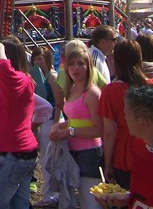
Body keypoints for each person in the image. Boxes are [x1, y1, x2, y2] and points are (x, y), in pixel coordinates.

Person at [97, 40, 153, 191]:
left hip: (123, 154)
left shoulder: (110, 91)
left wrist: (108, 163)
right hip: (152, 148)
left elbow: (109, 131)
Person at [0, 40, 37, 209]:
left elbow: (4, 70)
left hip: (12, 154)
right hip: (16, 152)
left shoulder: (20, 79)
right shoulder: (18, 85)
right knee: (18, 203)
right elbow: (7, 110)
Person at [49, 45, 102, 209]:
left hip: (89, 154)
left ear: (88, 67)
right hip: (70, 153)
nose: (76, 68)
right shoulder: (72, 89)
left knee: (90, 202)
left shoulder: (92, 93)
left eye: (80, 64)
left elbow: (98, 129)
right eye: (72, 64)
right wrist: (60, 126)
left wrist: (69, 131)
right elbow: (77, 119)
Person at [30, 46, 60, 208]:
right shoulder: (36, 77)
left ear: (47, 59)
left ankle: (51, 193)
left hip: (50, 121)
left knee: (48, 159)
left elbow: (59, 102)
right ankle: (50, 192)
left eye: (40, 59)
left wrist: (56, 123)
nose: (37, 62)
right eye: (35, 59)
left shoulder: (52, 77)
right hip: (40, 120)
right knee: (44, 158)